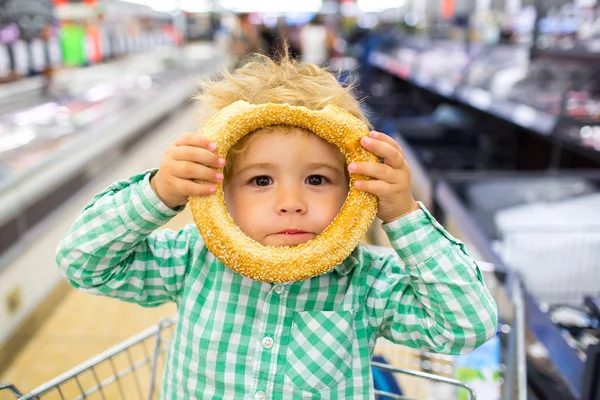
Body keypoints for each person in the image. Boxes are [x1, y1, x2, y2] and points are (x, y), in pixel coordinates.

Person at [56, 51, 498, 399]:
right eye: (261, 180)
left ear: (355, 188)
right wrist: (159, 192)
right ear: (219, 189)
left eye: (318, 179)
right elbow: (83, 262)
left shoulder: (367, 282)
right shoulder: (192, 259)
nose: (291, 203)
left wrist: (403, 215)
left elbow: (465, 327)